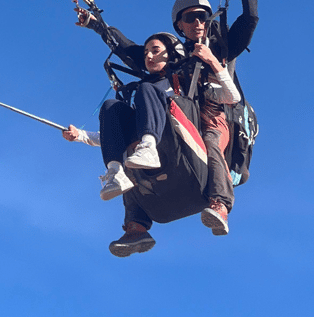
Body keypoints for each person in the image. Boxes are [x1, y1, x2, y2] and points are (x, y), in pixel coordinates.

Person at [63, 33, 240, 256]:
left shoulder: (188, 81)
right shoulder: (143, 94)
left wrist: (212, 61)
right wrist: (80, 135)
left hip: (185, 135)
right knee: (111, 107)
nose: (148, 56)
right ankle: (125, 199)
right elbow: (114, 137)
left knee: (148, 92)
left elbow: (231, 98)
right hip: (154, 143)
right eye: (146, 52)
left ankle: (219, 203)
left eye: (155, 51)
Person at [170, 0, 259, 235]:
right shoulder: (175, 57)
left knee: (210, 141)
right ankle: (138, 222)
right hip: (185, 114)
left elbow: (251, 17)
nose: (198, 22)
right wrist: (98, 26)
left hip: (216, 116)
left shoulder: (224, 47)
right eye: (190, 18)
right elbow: (136, 54)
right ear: (179, 25)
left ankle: (220, 203)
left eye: (202, 17)